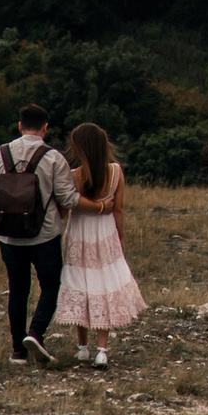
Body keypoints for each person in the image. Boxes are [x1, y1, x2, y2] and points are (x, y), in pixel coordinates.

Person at [0, 103, 78, 365]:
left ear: (19, 125)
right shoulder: (54, 157)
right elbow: (67, 198)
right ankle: (36, 332)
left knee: (18, 289)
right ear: (46, 127)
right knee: (51, 285)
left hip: (8, 235)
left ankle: (17, 351)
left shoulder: (1, 153)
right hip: (45, 235)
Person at [56, 121, 145, 367]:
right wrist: (121, 236)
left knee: (80, 282)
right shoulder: (116, 172)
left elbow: (65, 208)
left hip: (79, 235)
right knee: (103, 285)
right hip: (105, 233)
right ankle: (102, 350)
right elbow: (119, 209)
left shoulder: (74, 176)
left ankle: (82, 347)